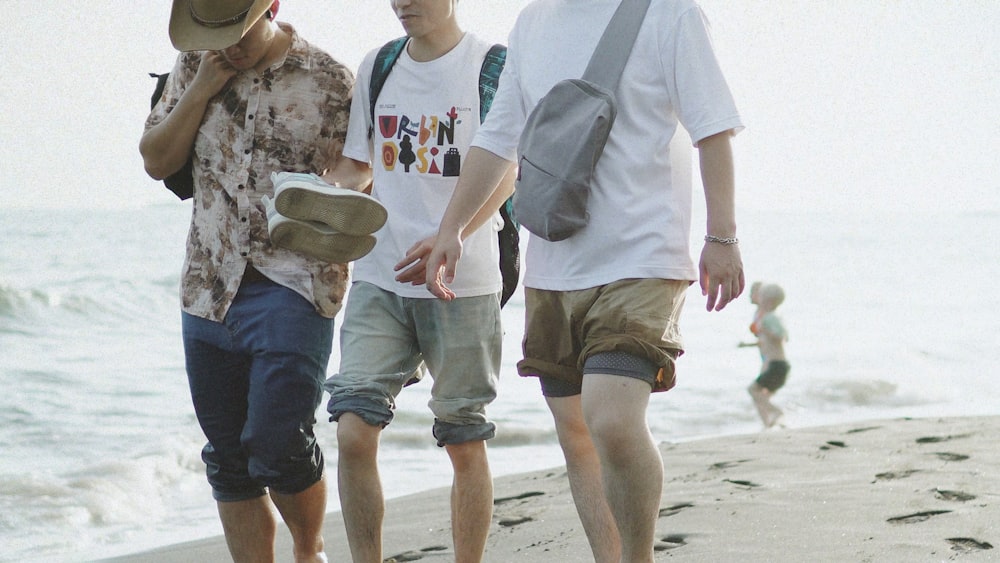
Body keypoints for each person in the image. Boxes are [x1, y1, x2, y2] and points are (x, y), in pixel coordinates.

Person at [423, 1, 745, 561]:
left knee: (613, 419)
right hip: (553, 260)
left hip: (642, 258)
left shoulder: (669, 14)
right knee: (577, 434)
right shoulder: (533, 23)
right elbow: (499, 139)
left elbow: (713, 127)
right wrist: (451, 229)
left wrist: (722, 237)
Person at [139, 1, 367, 561]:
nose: (227, 44)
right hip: (208, 285)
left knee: (277, 443)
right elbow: (156, 159)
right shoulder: (194, 65)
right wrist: (200, 89)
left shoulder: (331, 78)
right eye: (213, 32)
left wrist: (331, 189)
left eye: (236, 31)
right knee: (227, 456)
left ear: (271, 8)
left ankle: (309, 551)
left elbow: (362, 167)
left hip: (295, 282)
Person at [322, 1, 514, 561]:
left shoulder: (491, 65)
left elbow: (507, 172)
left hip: (463, 283)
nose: (404, 2)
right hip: (381, 277)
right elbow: (360, 167)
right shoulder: (379, 65)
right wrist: (316, 196)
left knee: (464, 437)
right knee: (353, 427)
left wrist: (452, 235)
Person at [741, 283, 790, 429]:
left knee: (753, 390)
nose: (757, 298)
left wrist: (766, 331)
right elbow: (766, 341)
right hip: (777, 365)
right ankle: (768, 424)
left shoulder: (769, 318)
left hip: (776, 365)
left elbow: (782, 336)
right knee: (761, 397)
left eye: (760, 296)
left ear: (767, 301)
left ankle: (778, 413)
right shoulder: (768, 317)